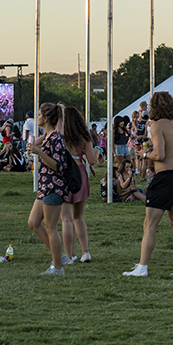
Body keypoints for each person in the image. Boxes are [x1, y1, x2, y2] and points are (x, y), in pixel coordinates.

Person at [123, 90, 173, 278]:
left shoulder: (157, 126)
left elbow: (159, 154)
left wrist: (144, 155)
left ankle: (142, 267)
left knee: (149, 224)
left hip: (163, 177)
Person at [26, 103, 68, 275]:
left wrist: (40, 153)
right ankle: (60, 257)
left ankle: (58, 267)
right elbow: (32, 145)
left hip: (53, 186)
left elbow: (58, 165)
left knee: (51, 227)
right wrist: (35, 146)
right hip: (45, 186)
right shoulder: (49, 136)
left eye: (39, 115)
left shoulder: (56, 138)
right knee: (33, 222)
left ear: (46, 118)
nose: (37, 118)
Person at [59, 107, 99, 264]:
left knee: (66, 219)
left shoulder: (60, 136)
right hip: (80, 173)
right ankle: (85, 252)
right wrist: (97, 151)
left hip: (65, 175)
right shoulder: (84, 136)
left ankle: (69, 255)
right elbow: (92, 160)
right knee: (78, 216)